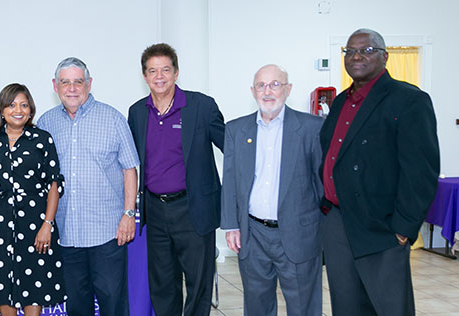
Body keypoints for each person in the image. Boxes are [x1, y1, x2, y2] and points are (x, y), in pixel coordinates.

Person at [320, 28, 440, 315]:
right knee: (346, 306)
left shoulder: (408, 100)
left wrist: (403, 228)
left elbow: (421, 171)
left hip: (381, 227)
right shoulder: (339, 102)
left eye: (367, 50)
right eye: (350, 51)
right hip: (337, 222)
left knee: (388, 308)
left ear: (385, 57)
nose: (357, 56)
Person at [127, 43, 225, 316]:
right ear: (145, 76)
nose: (159, 76)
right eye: (152, 71)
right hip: (155, 211)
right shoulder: (136, 112)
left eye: (165, 70)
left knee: (198, 283)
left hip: (193, 209)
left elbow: (232, 146)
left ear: (176, 72)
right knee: (162, 283)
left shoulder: (201, 106)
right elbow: (129, 162)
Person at [37, 57, 140, 316]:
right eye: (65, 82)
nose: (72, 88)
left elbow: (130, 170)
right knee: (77, 307)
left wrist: (128, 214)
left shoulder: (113, 118)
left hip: (107, 233)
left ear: (89, 84)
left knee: (113, 304)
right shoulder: (46, 124)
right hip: (67, 233)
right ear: (55, 85)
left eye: (78, 82)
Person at [220, 64, 324, 316]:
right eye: (261, 85)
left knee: (303, 307)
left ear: (288, 89)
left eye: (275, 84)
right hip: (253, 234)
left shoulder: (312, 128)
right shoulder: (236, 130)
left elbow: (321, 184)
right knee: (257, 306)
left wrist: (322, 231)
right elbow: (231, 180)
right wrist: (231, 225)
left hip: (298, 234)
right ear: (253, 91)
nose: (268, 91)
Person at [0, 83, 66, 315]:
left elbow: (54, 184)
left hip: (35, 223)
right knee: (1, 283)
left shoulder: (42, 139)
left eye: (24, 105)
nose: (18, 110)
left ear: (31, 109)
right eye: (12, 104)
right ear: (2, 110)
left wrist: (47, 224)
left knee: (34, 283)